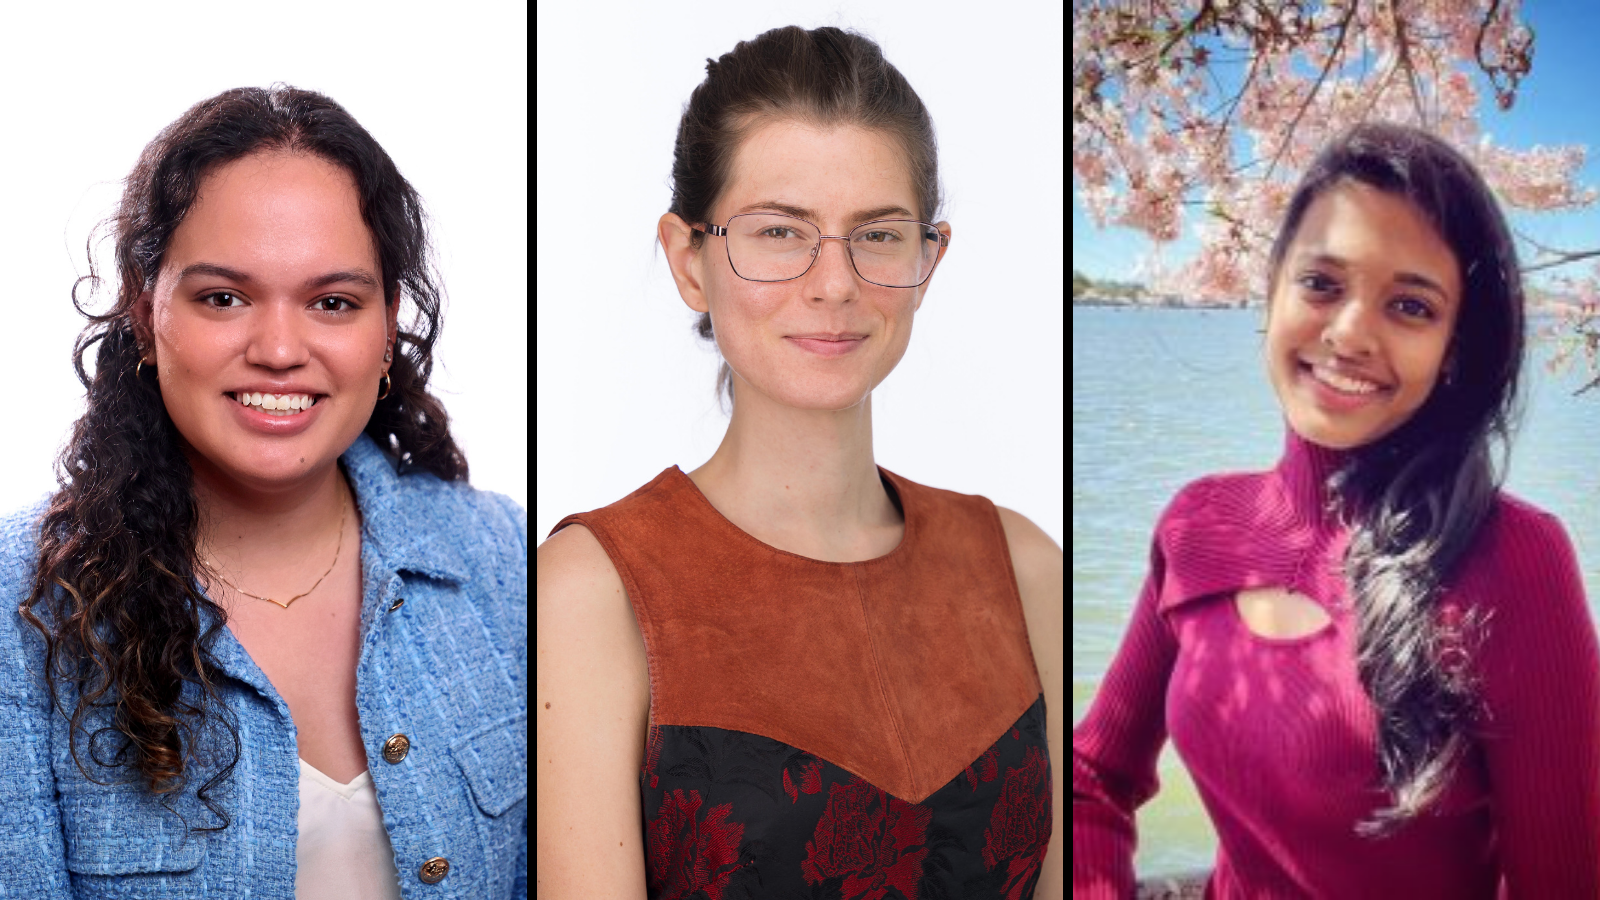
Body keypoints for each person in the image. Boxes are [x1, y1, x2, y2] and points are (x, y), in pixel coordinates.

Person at [536, 25, 1064, 900]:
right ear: (689, 260)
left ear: (929, 260)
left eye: (879, 235)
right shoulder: (591, 594)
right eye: (781, 232)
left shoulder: (1024, 567)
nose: (834, 284)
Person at [0, 85, 527, 898]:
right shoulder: (19, 608)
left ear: (388, 324)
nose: (280, 348)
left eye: (332, 302)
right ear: (146, 312)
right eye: (224, 298)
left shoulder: (501, 561)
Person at [1073, 121, 1600, 897]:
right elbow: (1092, 777)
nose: (1349, 333)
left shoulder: (1515, 557)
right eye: (1321, 285)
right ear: (1274, 288)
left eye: (1411, 307)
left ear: (1456, 344)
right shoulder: (1196, 526)